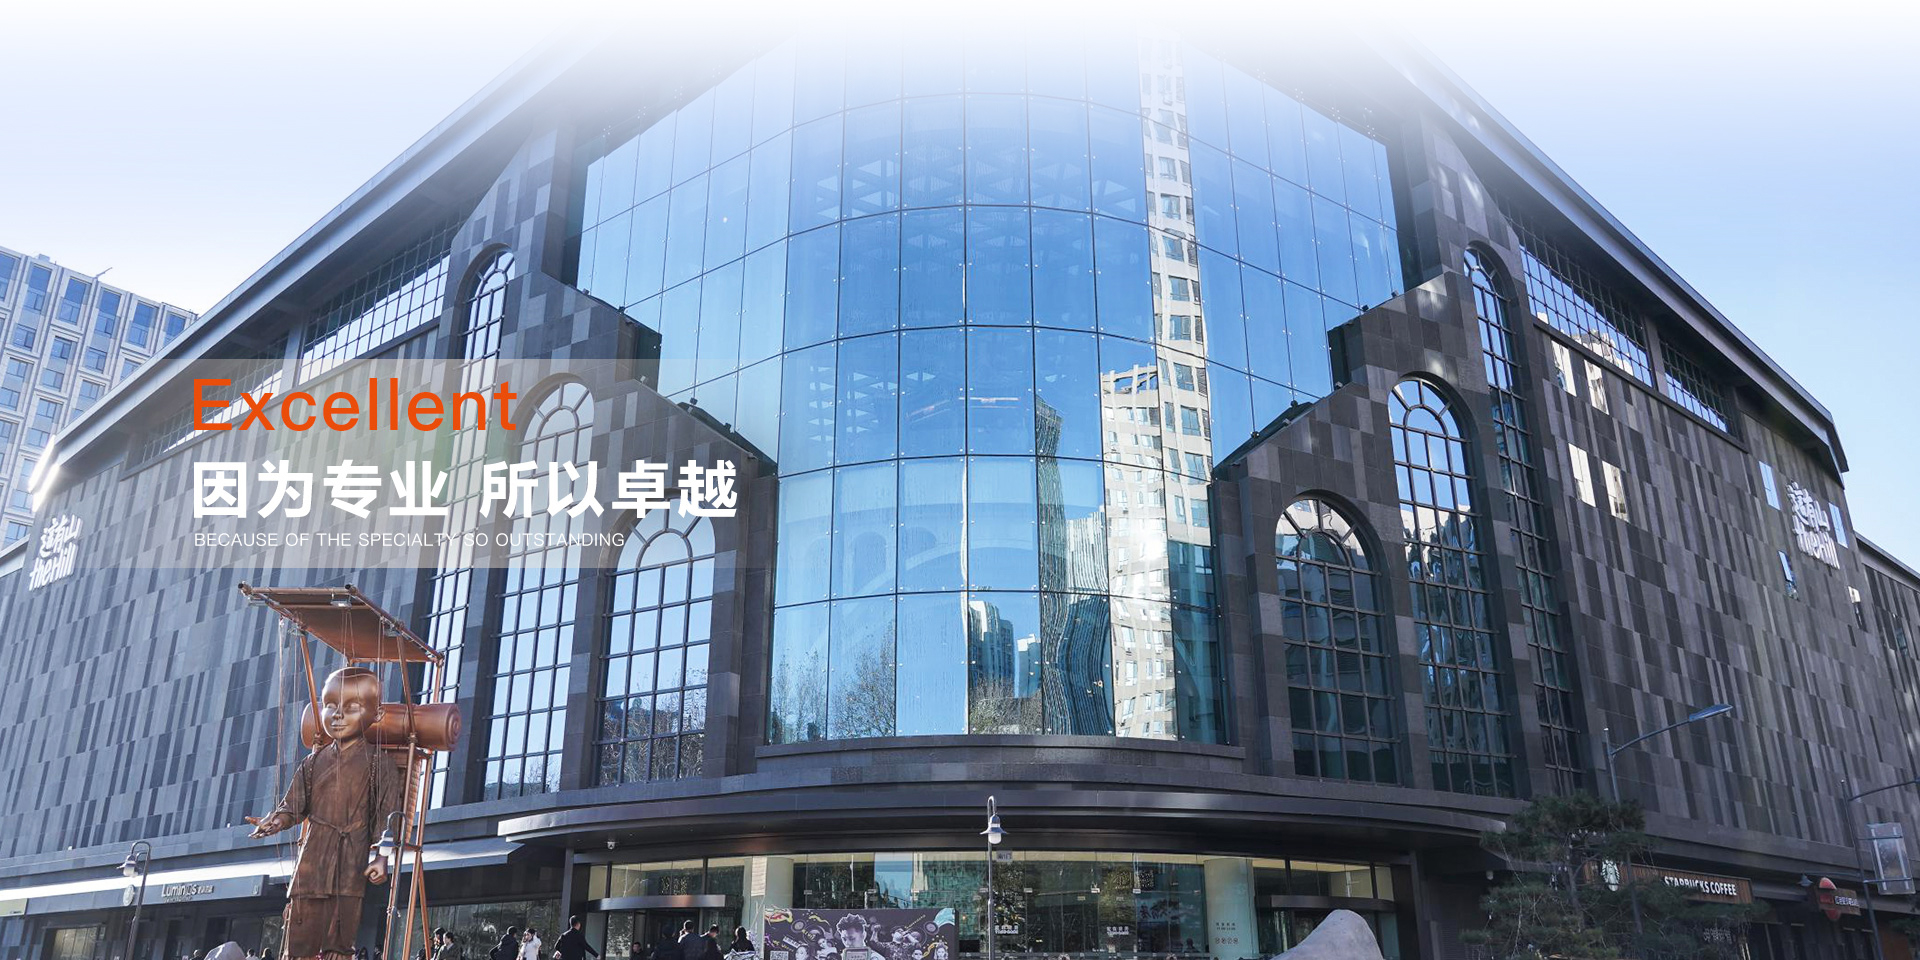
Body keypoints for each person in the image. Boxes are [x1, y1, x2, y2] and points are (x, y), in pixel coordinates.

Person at [245, 667, 404, 960]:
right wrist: (276, 821)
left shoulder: (379, 763)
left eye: (351, 707)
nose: (338, 715)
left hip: (351, 854)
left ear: (377, 713)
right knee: (300, 931)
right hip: (314, 853)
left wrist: (381, 857)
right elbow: (293, 805)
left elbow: (388, 815)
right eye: (330, 705)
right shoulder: (313, 761)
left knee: (340, 937)